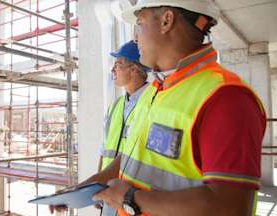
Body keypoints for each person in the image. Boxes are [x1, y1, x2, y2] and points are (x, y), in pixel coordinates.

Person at [93, 1, 266, 216]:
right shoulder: (155, 90)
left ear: (166, 20)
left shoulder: (226, 98)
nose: (136, 37)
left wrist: (130, 198)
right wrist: (84, 188)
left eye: (140, 24)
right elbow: (131, 157)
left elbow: (230, 207)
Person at [49, 40, 149, 215]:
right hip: (109, 192)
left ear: (134, 69)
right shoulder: (115, 107)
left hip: (134, 195)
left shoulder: (151, 103)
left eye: (118, 64)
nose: (112, 70)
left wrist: (74, 192)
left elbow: (127, 160)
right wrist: (96, 188)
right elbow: (105, 152)